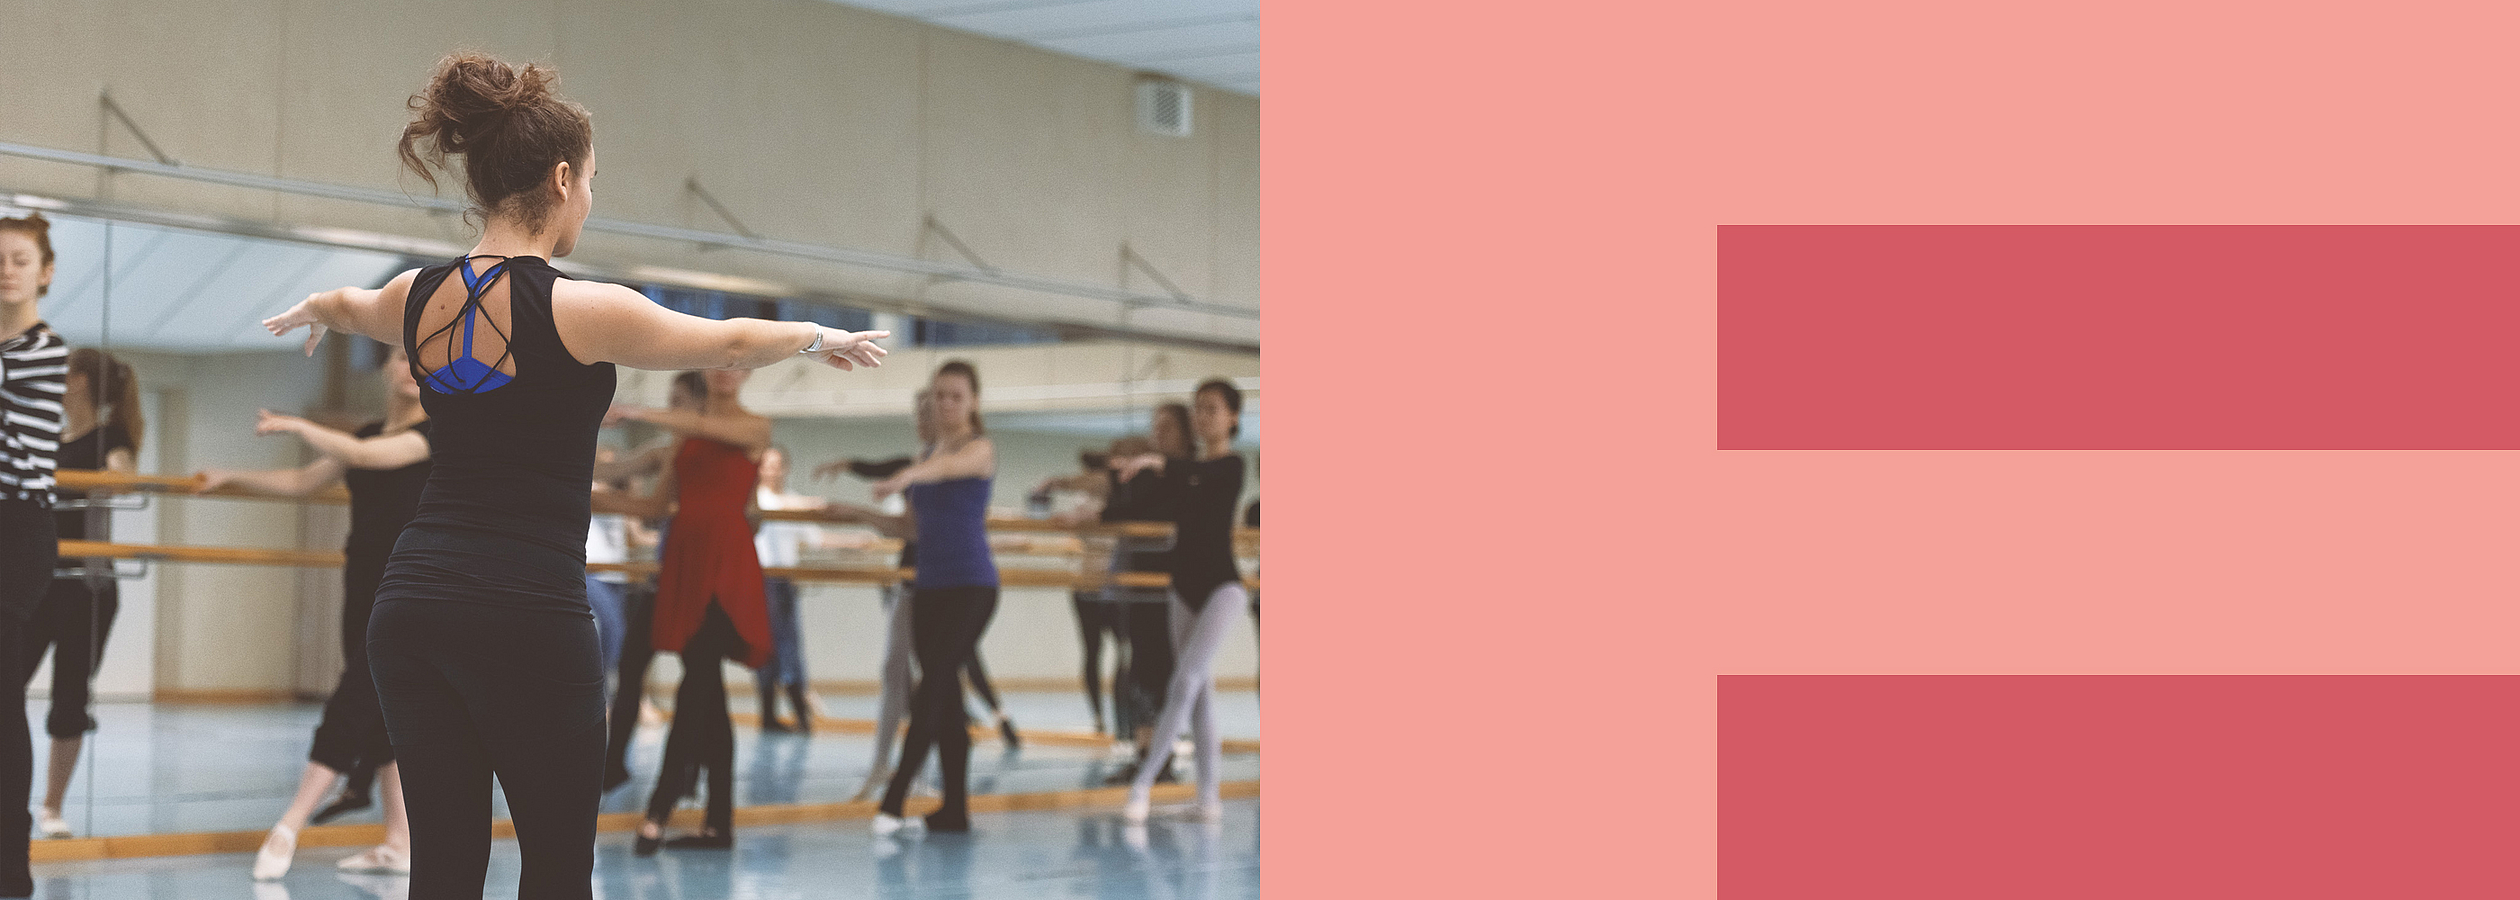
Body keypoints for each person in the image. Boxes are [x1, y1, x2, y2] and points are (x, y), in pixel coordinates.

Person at [258, 52, 885, 899]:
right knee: (557, 869)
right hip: (525, 609)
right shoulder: (582, 307)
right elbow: (728, 341)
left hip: (411, 604)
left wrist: (308, 311)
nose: (591, 198)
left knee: (442, 872)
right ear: (561, 179)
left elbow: (345, 305)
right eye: (592, 181)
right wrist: (820, 335)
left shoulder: (414, 295)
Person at [602, 368, 779, 853]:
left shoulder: (755, 427)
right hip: (686, 562)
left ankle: (659, 808)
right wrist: (588, 497)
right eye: (718, 362)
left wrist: (637, 410)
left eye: (737, 364)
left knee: (697, 680)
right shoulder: (682, 439)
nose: (727, 372)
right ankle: (718, 824)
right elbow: (658, 508)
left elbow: (713, 432)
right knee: (709, 695)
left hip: (727, 568)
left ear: (745, 373)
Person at [870, 361, 998, 835]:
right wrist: (853, 513)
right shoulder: (928, 452)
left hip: (972, 586)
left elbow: (948, 469)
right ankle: (954, 811)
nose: (946, 404)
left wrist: (907, 477)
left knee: (934, 682)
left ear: (973, 403)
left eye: (956, 396)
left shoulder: (979, 449)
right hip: (929, 586)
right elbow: (911, 528)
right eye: (939, 395)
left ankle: (894, 798)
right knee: (943, 696)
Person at [1119, 380, 1250, 825]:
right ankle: (1207, 799)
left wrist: (1160, 462)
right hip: (1183, 587)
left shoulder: (1232, 464)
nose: (1203, 416)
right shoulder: (1185, 470)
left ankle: (1142, 785)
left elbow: (1208, 477)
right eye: (1198, 409)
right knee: (1199, 696)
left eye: (1212, 409)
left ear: (1232, 417)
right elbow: (1149, 506)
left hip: (1223, 588)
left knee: (1184, 680)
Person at [27, 349, 141, 839]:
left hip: (86, 586)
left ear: (76, 382)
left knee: (70, 697)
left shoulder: (108, 437)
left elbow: (123, 477)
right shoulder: (51, 442)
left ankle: (51, 808)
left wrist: (101, 479)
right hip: (37, 582)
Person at [594, 370, 706, 791]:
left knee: (699, 677)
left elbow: (655, 509)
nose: (673, 411)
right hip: (666, 574)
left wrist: (598, 499)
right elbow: (617, 470)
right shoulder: (665, 451)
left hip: (697, 577)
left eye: (679, 402)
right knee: (633, 662)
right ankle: (615, 761)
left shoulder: (704, 453)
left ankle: (689, 768)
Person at [0, 211, 67, 898]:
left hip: (16, 532)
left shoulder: (45, 350)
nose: (7, 269)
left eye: (21, 259)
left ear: (44, 274)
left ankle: (10, 868)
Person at [1101, 404, 1192, 785]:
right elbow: (1117, 511)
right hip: (1139, 586)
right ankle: (1145, 753)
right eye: (1156, 427)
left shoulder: (1189, 475)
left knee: (1168, 671)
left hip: (1174, 587)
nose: (1159, 434)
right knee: (1140, 668)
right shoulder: (1146, 474)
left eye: (1167, 427)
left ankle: (1164, 754)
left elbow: (1161, 512)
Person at [1039, 444, 1128, 735]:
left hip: (1114, 585)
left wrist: (1054, 482)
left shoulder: (1115, 493)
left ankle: (1121, 715)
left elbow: (1096, 483)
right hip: (1088, 584)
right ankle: (1099, 717)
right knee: (1093, 651)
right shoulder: (1082, 503)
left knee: (1123, 651)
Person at [751, 446, 830, 734]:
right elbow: (774, 508)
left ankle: (800, 715)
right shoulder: (756, 498)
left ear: (785, 468)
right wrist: (809, 505)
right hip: (760, 580)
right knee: (765, 646)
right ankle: (769, 715)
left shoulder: (794, 500)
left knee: (790, 646)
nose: (771, 470)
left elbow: (816, 539)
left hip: (784, 580)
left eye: (776, 464)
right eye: (765, 464)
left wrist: (856, 540)